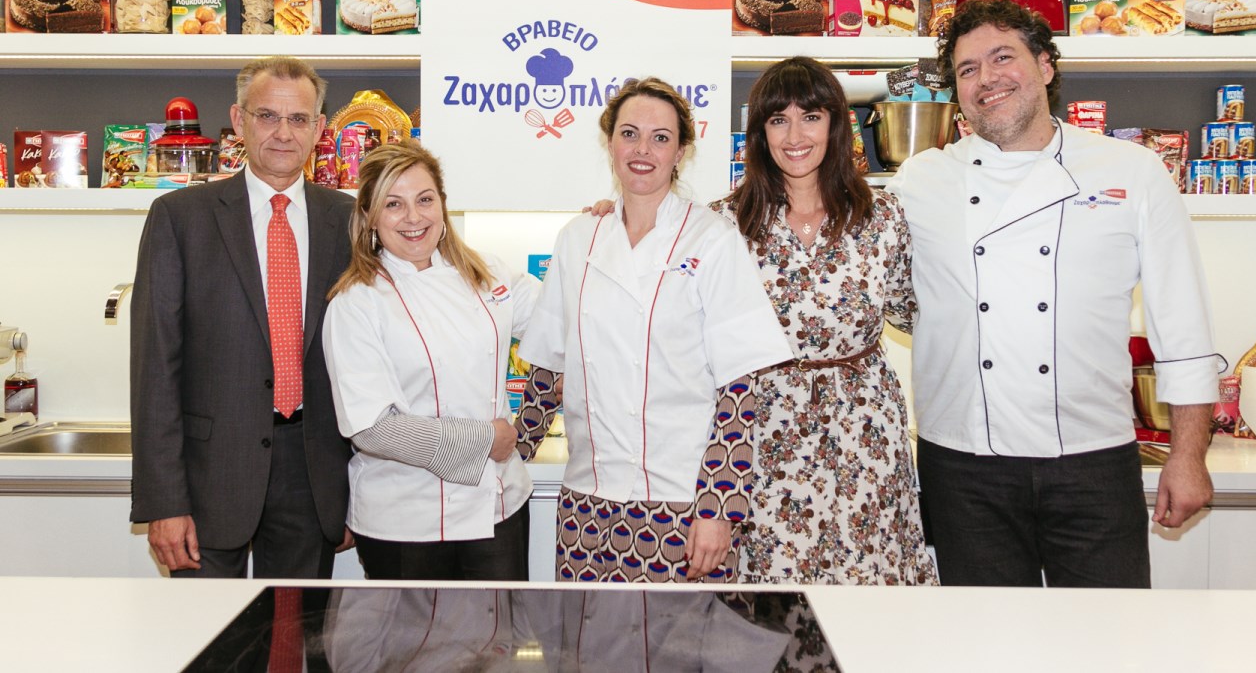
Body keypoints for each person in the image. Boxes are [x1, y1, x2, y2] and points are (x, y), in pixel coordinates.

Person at [888, 0, 1219, 587]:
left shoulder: (1132, 170)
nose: (986, 79)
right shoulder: (920, 180)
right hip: (962, 465)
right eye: (967, 69)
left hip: (1094, 459)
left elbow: (1183, 323)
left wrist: (1189, 456)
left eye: (1003, 57)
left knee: (1107, 632)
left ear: (1045, 65)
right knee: (986, 635)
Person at [514, 77, 793, 583]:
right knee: (586, 633)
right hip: (587, 504)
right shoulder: (577, 238)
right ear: (610, 143)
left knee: (686, 635)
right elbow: (549, 372)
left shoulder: (712, 238)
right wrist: (509, 461)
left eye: (660, 138)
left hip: (683, 505)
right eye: (630, 134)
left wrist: (719, 508)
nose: (642, 150)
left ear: (680, 152)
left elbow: (739, 389)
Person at [714, 56, 936, 585]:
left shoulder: (883, 216)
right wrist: (613, 218)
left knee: (871, 578)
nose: (795, 136)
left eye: (811, 117)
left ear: (837, 124)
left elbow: (917, 313)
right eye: (779, 120)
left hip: (866, 431)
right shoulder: (722, 223)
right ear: (759, 133)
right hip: (764, 430)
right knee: (777, 587)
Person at [130, 56, 354, 578]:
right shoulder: (180, 218)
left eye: (298, 119)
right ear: (238, 120)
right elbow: (155, 368)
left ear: (319, 128)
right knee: (207, 629)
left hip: (313, 475)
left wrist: (356, 491)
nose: (283, 133)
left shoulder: (348, 220)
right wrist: (164, 501)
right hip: (208, 475)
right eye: (267, 116)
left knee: (298, 627)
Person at [322, 141, 537, 581]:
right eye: (393, 204)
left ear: (442, 204)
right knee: (414, 631)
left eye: (425, 199)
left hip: (498, 507)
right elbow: (371, 427)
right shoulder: (356, 303)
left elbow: (571, 318)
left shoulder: (489, 273)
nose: (413, 217)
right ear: (370, 217)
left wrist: (605, 231)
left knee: (499, 628)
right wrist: (484, 441)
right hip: (404, 522)